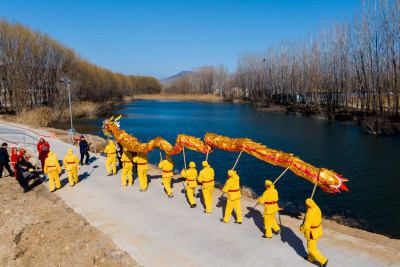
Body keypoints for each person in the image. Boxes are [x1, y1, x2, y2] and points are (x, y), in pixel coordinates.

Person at [300, 198, 328, 267]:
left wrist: (301, 228)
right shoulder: (316, 207)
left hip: (312, 232)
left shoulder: (310, 213)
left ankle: (323, 260)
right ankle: (310, 258)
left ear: (308, 205)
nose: (305, 206)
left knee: (311, 248)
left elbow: (306, 225)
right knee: (312, 245)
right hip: (318, 230)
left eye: (306, 205)